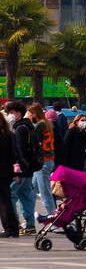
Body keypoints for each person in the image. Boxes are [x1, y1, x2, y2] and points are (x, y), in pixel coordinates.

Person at [8, 98, 42, 234]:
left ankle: (14, 224)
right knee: (26, 196)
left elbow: (19, 150)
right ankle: (29, 225)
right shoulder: (28, 126)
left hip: (21, 168)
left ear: (18, 113)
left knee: (10, 195)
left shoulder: (19, 128)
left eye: (11, 112)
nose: (9, 115)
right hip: (29, 168)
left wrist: (18, 168)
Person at [29, 103, 56, 220]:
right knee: (31, 190)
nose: (29, 116)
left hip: (43, 161)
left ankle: (54, 217)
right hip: (47, 160)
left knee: (45, 192)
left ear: (35, 113)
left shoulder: (40, 125)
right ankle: (28, 218)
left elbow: (32, 138)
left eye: (30, 113)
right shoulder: (47, 123)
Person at [0, 108, 18, 237]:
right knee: (5, 200)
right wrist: (15, 172)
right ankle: (11, 227)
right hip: (6, 172)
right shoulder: (9, 135)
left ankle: (10, 228)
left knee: (4, 201)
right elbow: (13, 155)